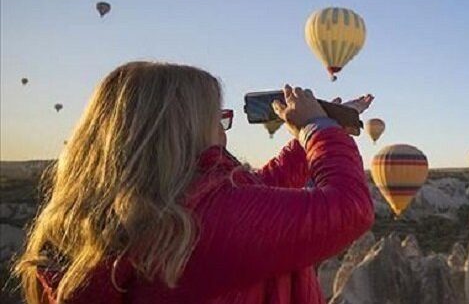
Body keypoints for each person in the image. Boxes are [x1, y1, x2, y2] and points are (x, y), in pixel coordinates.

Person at [16, 61, 376, 303]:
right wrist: (317, 129)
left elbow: (259, 192)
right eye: (217, 118)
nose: (223, 129)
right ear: (182, 129)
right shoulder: (205, 221)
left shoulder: (140, 212)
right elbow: (349, 207)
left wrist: (315, 135)